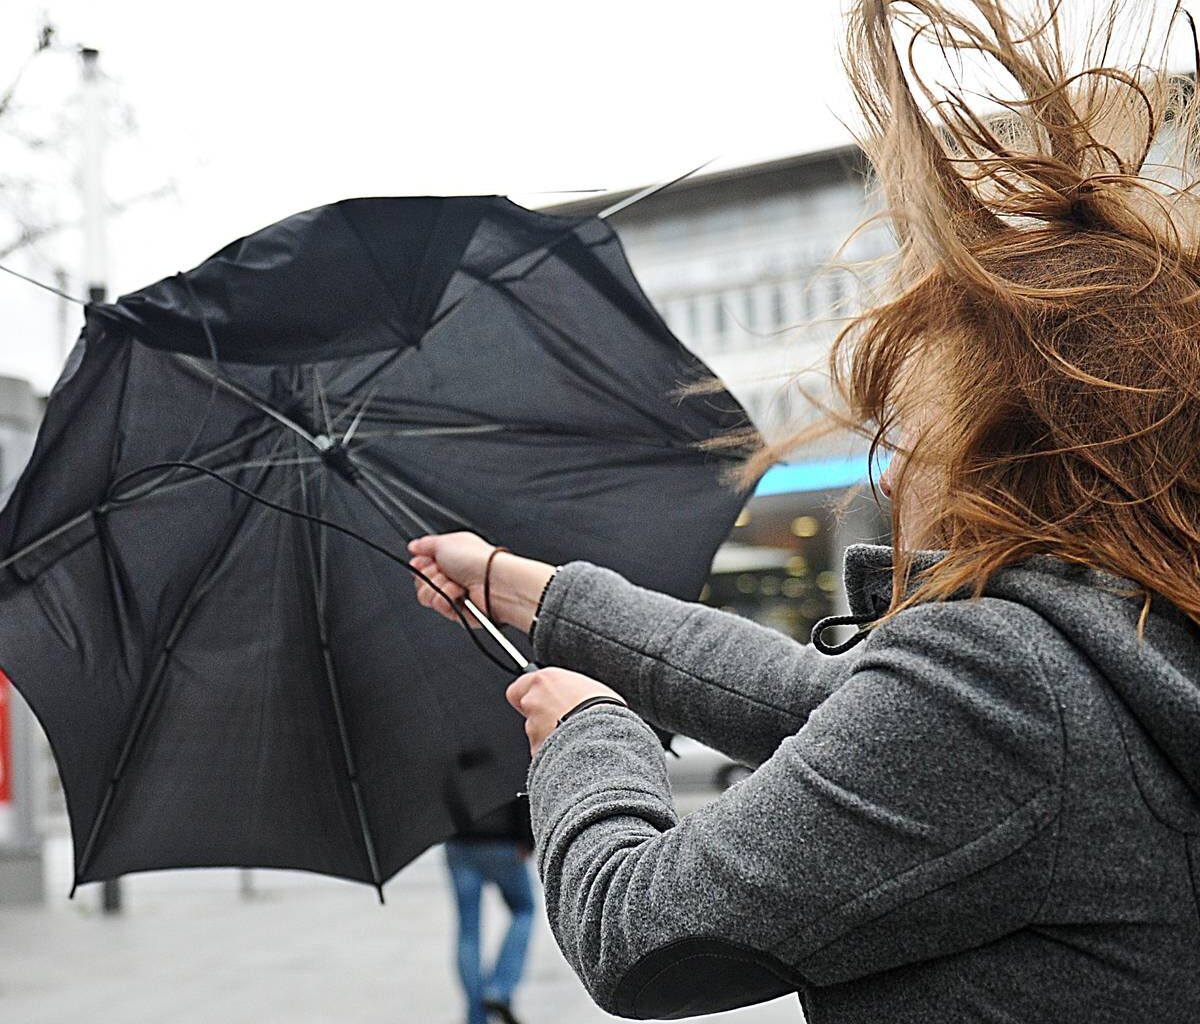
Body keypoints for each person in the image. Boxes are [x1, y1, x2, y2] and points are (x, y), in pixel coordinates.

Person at [408, 1, 1200, 1020]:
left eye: (913, 414)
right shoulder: (1123, 635)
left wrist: (589, 735)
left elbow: (638, 932)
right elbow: (813, 699)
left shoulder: (1009, 682)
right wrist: (535, 592)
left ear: (1000, 443)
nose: (897, 455)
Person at [443, 799, 535, 1024]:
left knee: (468, 932)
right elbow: (521, 789)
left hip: (460, 840)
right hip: (505, 841)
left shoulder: (435, 761)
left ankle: (476, 1017)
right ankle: (499, 989)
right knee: (524, 910)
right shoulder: (506, 761)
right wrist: (527, 837)